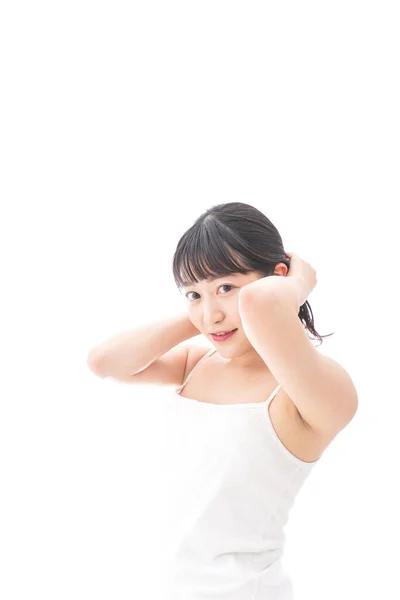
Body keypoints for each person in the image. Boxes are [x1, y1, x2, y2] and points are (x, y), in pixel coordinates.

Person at [87, 201, 358, 599]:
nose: (211, 314)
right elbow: (103, 361)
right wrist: (205, 312)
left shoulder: (314, 390)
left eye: (227, 287)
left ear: (278, 278)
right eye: (193, 293)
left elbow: (261, 306)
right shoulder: (197, 364)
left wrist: (296, 287)